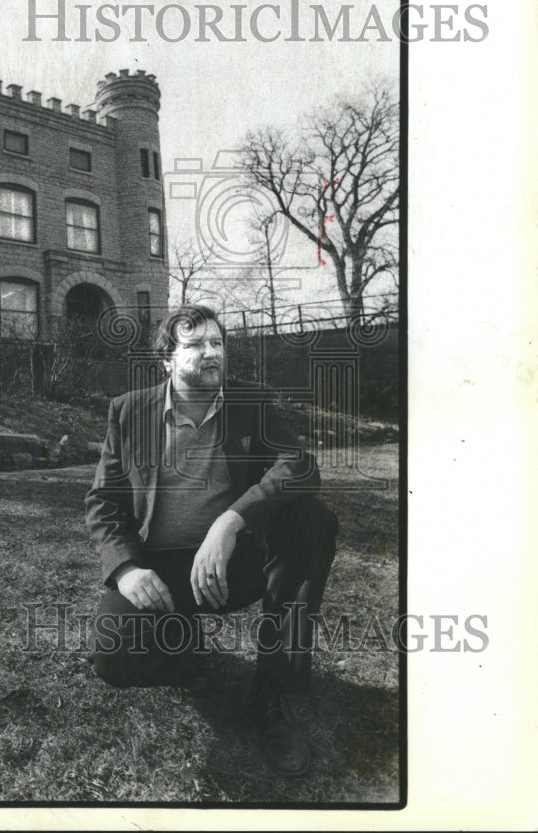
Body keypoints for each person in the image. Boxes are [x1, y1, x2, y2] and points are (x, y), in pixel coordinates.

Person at [84, 304, 338, 776]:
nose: (210, 353)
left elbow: (299, 466)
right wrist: (125, 568)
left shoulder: (250, 403)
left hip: (234, 564)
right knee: (115, 662)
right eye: (196, 344)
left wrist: (230, 522)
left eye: (217, 343)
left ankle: (271, 696)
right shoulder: (129, 411)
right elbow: (103, 501)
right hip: (159, 571)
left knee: (312, 518)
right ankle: (185, 650)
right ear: (167, 358)